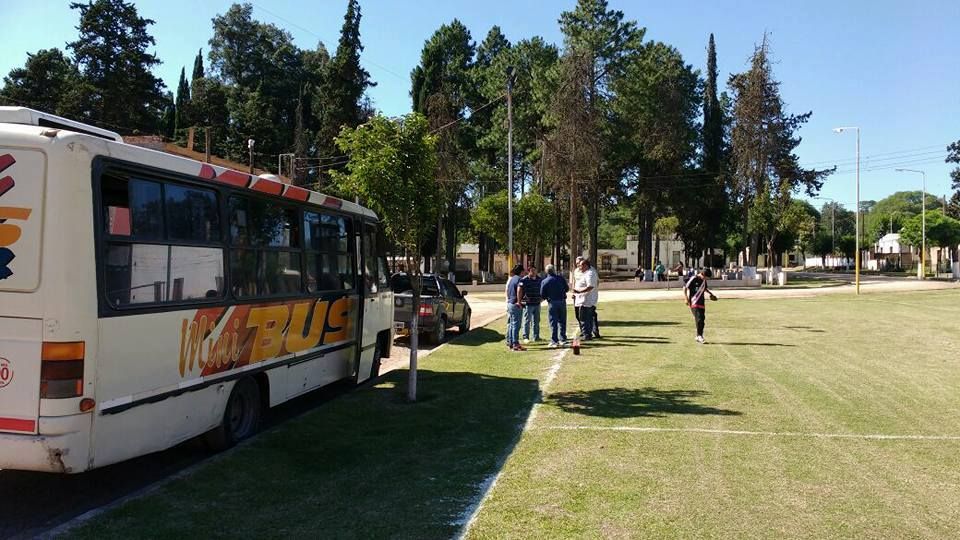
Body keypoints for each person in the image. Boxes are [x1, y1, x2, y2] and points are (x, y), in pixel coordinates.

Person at [683, 268, 716, 344]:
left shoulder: (704, 281)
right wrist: (686, 298)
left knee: (702, 319)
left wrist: (711, 294)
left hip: (701, 302)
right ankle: (699, 336)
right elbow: (685, 287)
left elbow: (704, 289)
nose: (706, 279)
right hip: (694, 302)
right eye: (706, 277)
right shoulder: (694, 278)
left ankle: (699, 335)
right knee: (699, 318)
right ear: (703, 274)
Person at [539, 264, 569, 347]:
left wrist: (547, 296)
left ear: (546, 271)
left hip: (552, 302)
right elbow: (566, 289)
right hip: (562, 301)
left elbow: (542, 294)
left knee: (553, 321)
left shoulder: (545, 281)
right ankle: (563, 339)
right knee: (562, 321)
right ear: (554, 270)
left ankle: (554, 340)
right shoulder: (561, 278)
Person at [572, 258, 599, 341]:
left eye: (581, 266)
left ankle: (586, 334)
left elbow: (590, 286)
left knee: (584, 318)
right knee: (586, 318)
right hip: (583, 300)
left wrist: (579, 291)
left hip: (586, 300)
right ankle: (587, 334)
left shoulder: (590, 273)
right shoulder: (585, 273)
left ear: (586, 265)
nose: (579, 267)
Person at [505, 264, 525, 351]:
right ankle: (515, 344)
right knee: (516, 325)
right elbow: (519, 290)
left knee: (512, 324)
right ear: (521, 271)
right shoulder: (519, 279)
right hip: (515, 304)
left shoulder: (512, 279)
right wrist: (519, 302)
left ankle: (511, 342)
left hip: (510, 303)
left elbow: (508, 291)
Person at [520, 266, 543, 343]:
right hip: (528, 304)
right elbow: (520, 291)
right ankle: (525, 337)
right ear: (528, 271)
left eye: (535, 270)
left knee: (536, 321)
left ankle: (536, 337)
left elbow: (542, 289)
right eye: (532, 271)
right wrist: (522, 300)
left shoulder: (540, 279)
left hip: (537, 304)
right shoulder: (524, 280)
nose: (534, 272)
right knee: (527, 321)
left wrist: (542, 298)